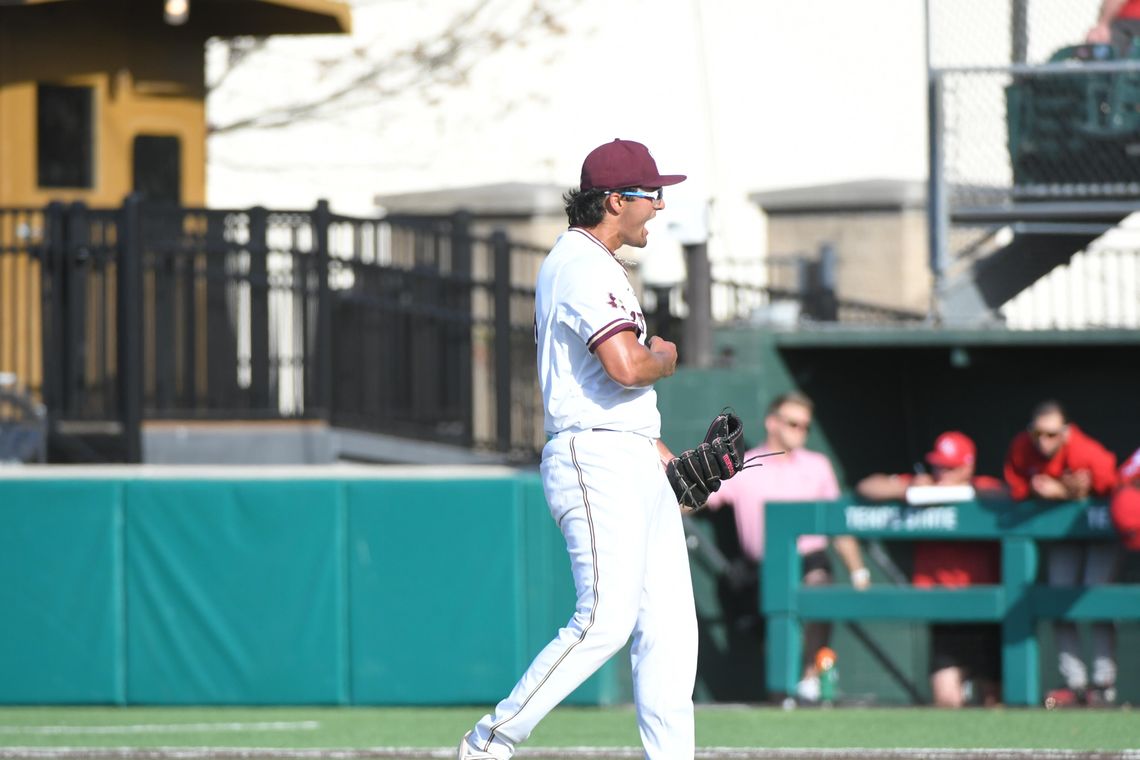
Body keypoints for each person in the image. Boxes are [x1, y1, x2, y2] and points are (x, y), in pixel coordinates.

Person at [457, 139, 694, 760]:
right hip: (595, 460)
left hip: (630, 452)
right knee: (605, 621)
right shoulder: (582, 263)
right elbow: (624, 366)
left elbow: (613, 397)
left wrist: (666, 462)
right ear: (615, 200)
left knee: (669, 631)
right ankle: (488, 744)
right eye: (651, 195)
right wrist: (666, 357)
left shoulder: (599, 262)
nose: (660, 206)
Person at [703, 391, 869, 703]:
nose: (800, 432)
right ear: (772, 423)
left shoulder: (818, 466)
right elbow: (701, 497)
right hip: (761, 569)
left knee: (818, 589)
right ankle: (784, 693)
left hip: (809, 559)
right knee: (774, 639)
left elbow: (837, 526)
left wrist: (858, 571)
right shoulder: (745, 465)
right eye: (793, 423)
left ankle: (810, 676)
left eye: (805, 426)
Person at [856, 431, 1006, 708]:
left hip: (986, 610)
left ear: (967, 466)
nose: (942, 473)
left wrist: (959, 493)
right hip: (943, 609)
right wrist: (911, 488)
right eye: (938, 465)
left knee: (993, 699)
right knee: (946, 699)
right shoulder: (923, 484)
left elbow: (1006, 494)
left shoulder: (983, 487)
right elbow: (867, 486)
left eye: (950, 467)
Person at [1003, 400, 1119, 707]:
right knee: (1058, 599)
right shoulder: (1022, 448)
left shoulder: (1085, 451)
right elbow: (1015, 489)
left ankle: (1103, 684)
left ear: (1065, 432)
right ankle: (1074, 683)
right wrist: (1044, 489)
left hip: (1099, 534)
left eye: (1052, 435)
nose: (1043, 441)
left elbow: (1114, 489)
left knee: (1095, 600)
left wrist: (1073, 492)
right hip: (1061, 536)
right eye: (1038, 433)